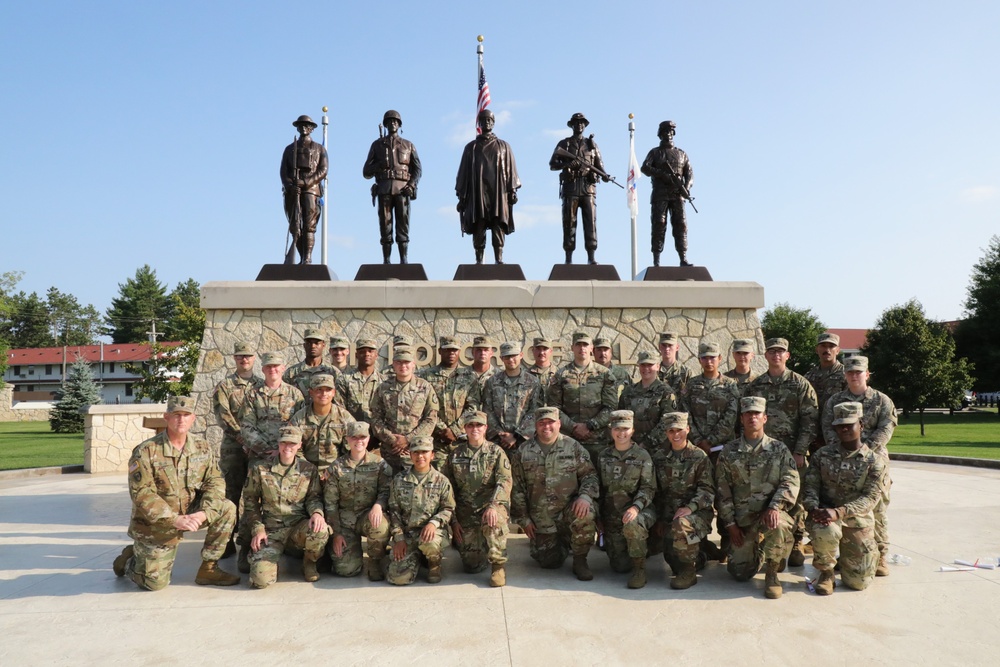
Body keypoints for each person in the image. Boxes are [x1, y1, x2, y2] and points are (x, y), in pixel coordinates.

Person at [113, 396, 240, 590]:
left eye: (186, 415)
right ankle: (131, 559)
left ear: (193, 418)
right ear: (166, 417)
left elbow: (214, 481)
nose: (181, 419)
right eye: (176, 415)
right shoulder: (146, 451)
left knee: (226, 508)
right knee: (154, 583)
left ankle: (209, 567)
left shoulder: (202, 447)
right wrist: (174, 519)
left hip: (191, 511)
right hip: (158, 522)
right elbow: (142, 494)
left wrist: (205, 512)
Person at [715, 397, 800, 599]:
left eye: (757, 413)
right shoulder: (729, 452)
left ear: (765, 418)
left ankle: (772, 572)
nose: (752, 417)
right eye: (748, 414)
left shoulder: (779, 449)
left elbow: (790, 481)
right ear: (742, 419)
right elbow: (722, 490)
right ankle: (761, 550)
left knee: (777, 524)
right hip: (743, 522)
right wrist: (730, 525)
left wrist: (775, 507)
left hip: (770, 517)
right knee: (739, 573)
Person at [745, 337, 819, 567]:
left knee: (796, 500)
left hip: (792, 454)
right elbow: (748, 421)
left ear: (788, 356)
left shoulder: (800, 384)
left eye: (781, 352)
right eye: (772, 351)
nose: (776, 355)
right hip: (763, 456)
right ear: (765, 356)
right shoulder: (756, 387)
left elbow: (810, 421)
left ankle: (797, 541)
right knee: (763, 496)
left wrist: (800, 451)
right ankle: (764, 539)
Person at [820, 355, 897, 575]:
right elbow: (827, 428)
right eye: (850, 372)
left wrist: (862, 452)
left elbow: (885, 429)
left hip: (874, 463)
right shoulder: (835, 401)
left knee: (877, 508)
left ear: (867, 374)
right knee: (841, 505)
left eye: (858, 372)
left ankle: (881, 555)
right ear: (845, 374)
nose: (854, 376)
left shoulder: (882, 400)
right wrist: (842, 451)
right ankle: (842, 555)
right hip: (840, 464)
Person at [803, 402, 886, 594]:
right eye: (841, 426)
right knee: (826, 530)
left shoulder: (874, 462)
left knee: (858, 583)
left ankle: (850, 560)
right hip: (825, 517)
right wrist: (814, 509)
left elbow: (870, 498)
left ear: (861, 425)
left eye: (850, 424)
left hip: (856, 520)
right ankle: (827, 572)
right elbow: (810, 487)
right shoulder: (822, 455)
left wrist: (839, 512)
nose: (845, 429)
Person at [511, 406, 599, 581]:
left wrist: (585, 497)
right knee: (549, 562)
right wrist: (524, 519)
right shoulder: (523, 451)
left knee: (586, 514)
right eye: (542, 423)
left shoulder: (572, 447)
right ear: (535, 426)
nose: (546, 427)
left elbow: (590, 476)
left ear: (559, 423)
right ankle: (562, 543)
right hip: (542, 518)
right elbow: (517, 488)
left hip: (569, 511)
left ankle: (580, 560)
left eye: (551, 422)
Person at [239, 351, 304, 572]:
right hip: (260, 459)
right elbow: (246, 426)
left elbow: (299, 427)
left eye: (276, 366)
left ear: (283, 368)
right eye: (268, 367)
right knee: (252, 501)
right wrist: (268, 449)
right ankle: (247, 546)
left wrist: (287, 450)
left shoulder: (295, 395)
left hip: (288, 457)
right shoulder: (252, 395)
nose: (273, 370)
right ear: (263, 369)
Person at [243, 426, 331, 588]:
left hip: (297, 528)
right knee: (260, 580)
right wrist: (258, 529)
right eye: (284, 443)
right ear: (278, 444)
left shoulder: (308, 469)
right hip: (271, 530)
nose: (287, 447)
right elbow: (250, 503)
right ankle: (272, 558)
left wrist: (317, 513)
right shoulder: (260, 469)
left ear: (299, 445)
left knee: (320, 529)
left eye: (292, 443)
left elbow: (314, 498)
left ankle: (309, 563)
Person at [440, 411, 513, 587]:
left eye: (479, 425)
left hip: (490, 507)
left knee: (493, 522)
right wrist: (454, 521)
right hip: (466, 512)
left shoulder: (496, 452)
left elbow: (505, 481)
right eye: (471, 425)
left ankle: (498, 565)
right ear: (465, 428)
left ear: (485, 428)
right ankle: (475, 544)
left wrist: (494, 505)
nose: (475, 429)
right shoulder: (455, 455)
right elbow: (448, 490)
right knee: (471, 566)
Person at [649, 412, 715, 590]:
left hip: (695, 514)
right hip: (670, 516)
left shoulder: (699, 457)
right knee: (672, 559)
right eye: (671, 431)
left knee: (682, 526)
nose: (675, 434)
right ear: (666, 432)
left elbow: (708, 491)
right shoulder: (659, 457)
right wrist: (661, 519)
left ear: (687, 429)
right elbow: (656, 491)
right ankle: (701, 555)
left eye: (679, 430)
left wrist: (690, 507)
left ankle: (689, 572)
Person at [211, 341, 263, 555]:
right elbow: (222, 415)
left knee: (256, 495)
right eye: (240, 356)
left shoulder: (261, 385)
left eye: (248, 356)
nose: (244, 359)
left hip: (256, 449)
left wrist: (255, 442)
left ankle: (253, 539)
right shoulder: (225, 386)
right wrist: (243, 438)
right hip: (234, 449)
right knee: (231, 494)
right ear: (234, 358)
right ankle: (226, 540)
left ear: (254, 358)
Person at [324, 421, 392, 581]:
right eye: (354, 437)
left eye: (362, 437)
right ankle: (340, 554)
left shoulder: (379, 464)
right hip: (344, 522)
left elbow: (386, 490)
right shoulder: (336, 467)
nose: (358, 441)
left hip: (367, 517)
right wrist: (337, 534)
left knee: (380, 524)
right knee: (346, 570)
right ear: (347, 439)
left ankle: (375, 561)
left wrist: (378, 506)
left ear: (368, 439)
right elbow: (330, 504)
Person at [596, 410, 656, 589]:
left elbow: (648, 488)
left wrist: (636, 507)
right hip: (613, 515)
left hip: (638, 510)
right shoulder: (603, 456)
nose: (621, 433)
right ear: (610, 430)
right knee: (620, 566)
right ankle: (636, 548)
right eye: (617, 428)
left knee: (633, 524)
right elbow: (598, 488)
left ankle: (640, 570)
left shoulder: (642, 456)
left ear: (633, 431)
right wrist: (599, 518)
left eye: (626, 428)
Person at [386, 437, 456, 585]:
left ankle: (433, 564)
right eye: (416, 452)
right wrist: (399, 539)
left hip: (431, 532)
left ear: (432, 455)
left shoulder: (441, 480)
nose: (420, 456)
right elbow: (393, 511)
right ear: (410, 455)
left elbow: (448, 508)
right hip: (408, 534)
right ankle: (415, 557)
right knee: (398, 579)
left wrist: (434, 523)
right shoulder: (399, 480)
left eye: (424, 452)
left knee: (430, 543)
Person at [455, 109, 521, 264]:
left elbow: (511, 170)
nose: (487, 122)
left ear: (494, 122)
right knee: (479, 224)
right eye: (483, 120)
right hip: (478, 193)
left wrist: (512, 190)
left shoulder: (504, 146)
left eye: (490, 120)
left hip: (498, 192)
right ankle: (479, 260)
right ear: (479, 123)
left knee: (498, 225)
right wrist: (462, 197)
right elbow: (463, 173)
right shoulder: (470, 148)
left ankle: (499, 258)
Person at [549, 332, 618, 467]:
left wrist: (589, 426)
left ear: (591, 348)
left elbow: (611, 407)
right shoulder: (561, 375)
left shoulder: (604, 374)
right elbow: (554, 408)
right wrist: (573, 427)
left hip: (598, 442)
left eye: (585, 345)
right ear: (572, 348)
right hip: (568, 440)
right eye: (578, 345)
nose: (582, 348)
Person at [548, 112, 609, 265]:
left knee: (591, 223)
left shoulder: (592, 145)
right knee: (569, 223)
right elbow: (553, 164)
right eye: (576, 122)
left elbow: (599, 166)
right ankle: (568, 259)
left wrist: (604, 175)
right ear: (572, 125)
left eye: (582, 123)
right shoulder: (564, 144)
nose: (579, 125)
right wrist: (566, 165)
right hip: (571, 188)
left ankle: (591, 257)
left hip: (588, 188)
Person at [363, 109, 422, 264]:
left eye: (395, 121)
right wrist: (378, 165)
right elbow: (366, 172)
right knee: (385, 226)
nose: (392, 124)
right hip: (384, 190)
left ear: (399, 124)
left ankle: (404, 259)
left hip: (402, 189)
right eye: (389, 122)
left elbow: (417, 169)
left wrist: (412, 184)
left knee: (403, 225)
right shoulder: (377, 145)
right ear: (385, 125)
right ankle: (386, 260)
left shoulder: (408, 145)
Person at [370, 348, 440, 473]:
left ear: (413, 364)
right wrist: (392, 440)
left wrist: (408, 440)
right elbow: (375, 418)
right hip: (390, 451)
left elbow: (431, 418)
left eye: (407, 362)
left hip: (415, 452)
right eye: (399, 362)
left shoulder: (425, 387)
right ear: (393, 364)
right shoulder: (383, 388)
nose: (403, 366)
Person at [418, 335, 481, 465]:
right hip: (435, 440)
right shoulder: (426, 376)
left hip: (462, 440)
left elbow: (473, 406)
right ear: (440, 351)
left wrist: (455, 430)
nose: (451, 353)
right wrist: (442, 429)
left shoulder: (469, 377)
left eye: (454, 350)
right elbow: (424, 406)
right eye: (447, 350)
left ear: (459, 352)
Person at [641, 120, 694, 267]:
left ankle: (683, 258)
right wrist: (662, 174)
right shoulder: (655, 153)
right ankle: (656, 260)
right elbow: (645, 168)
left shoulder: (681, 154)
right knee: (659, 224)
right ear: (660, 134)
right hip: (660, 194)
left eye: (671, 131)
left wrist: (686, 187)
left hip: (677, 195)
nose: (669, 134)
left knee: (681, 225)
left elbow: (689, 174)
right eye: (665, 131)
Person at [280, 114, 328, 265]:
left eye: (307, 125)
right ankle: (299, 257)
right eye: (301, 125)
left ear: (312, 129)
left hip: (311, 190)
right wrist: (290, 185)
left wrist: (305, 182)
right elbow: (283, 171)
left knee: (309, 225)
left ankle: (307, 258)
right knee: (295, 226)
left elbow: (323, 170)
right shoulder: (289, 149)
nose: (304, 128)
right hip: (293, 191)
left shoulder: (319, 149)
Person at [681, 341, 740, 460]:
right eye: (704, 358)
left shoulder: (730, 385)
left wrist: (710, 441)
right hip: (696, 448)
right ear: (699, 360)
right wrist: (698, 441)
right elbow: (685, 413)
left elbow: (731, 417)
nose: (708, 362)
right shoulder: (691, 384)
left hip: (723, 447)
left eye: (712, 357)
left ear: (719, 358)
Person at [483, 341, 542, 454]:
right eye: (507, 357)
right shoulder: (492, 381)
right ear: (501, 358)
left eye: (514, 356)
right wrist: (500, 434)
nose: (511, 360)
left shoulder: (533, 382)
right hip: (497, 442)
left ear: (521, 355)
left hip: (524, 442)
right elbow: (487, 410)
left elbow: (534, 411)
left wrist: (516, 436)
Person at [290, 374, 356, 473]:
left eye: (328, 390)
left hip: (337, 469)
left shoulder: (344, 418)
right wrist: (308, 469)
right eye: (319, 390)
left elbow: (351, 449)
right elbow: (293, 448)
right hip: (305, 470)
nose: (324, 394)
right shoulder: (299, 418)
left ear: (334, 392)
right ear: (311, 392)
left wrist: (334, 469)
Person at [618, 350, 679, 450]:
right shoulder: (628, 392)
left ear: (658, 367)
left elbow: (667, 422)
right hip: (630, 447)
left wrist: (646, 444)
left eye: (650, 365)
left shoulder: (666, 392)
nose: (646, 368)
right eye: (643, 365)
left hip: (657, 450)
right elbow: (621, 419)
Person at [804, 332, 847, 452]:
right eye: (823, 346)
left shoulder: (845, 375)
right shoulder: (808, 376)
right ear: (817, 349)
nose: (827, 350)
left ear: (837, 350)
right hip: (813, 436)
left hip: (838, 435)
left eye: (831, 346)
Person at [336, 337, 386, 424]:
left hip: (379, 434)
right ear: (356, 355)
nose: (367, 354)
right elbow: (340, 411)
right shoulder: (344, 380)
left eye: (370, 351)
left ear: (376, 355)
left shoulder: (385, 382)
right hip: (353, 433)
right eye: (362, 351)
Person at [283, 329, 334, 396]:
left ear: (323, 345)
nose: (312, 346)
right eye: (309, 343)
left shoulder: (332, 372)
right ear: (304, 345)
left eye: (316, 343)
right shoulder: (291, 373)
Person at [593, 337, 632, 401]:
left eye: (605, 350)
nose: (603, 353)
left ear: (611, 352)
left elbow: (632, 395)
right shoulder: (587, 373)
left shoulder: (622, 374)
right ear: (593, 352)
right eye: (599, 350)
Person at [525, 336, 557, 405]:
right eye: (538, 349)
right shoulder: (525, 375)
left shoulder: (559, 374)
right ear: (533, 351)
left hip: (553, 414)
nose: (541, 352)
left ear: (551, 351)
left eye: (545, 349)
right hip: (533, 415)